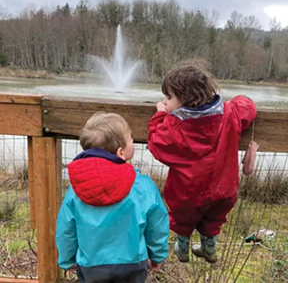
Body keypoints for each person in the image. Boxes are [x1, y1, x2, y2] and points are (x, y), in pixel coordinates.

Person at [148, 62, 257, 264]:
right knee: (214, 219)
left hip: (187, 193)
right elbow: (248, 106)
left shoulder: (175, 128)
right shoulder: (229, 113)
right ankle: (209, 248)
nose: (165, 101)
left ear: (185, 100)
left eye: (169, 98)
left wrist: (160, 115)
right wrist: (238, 100)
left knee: (183, 221)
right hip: (224, 189)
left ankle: (182, 249)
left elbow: (156, 143)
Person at [56, 112, 169, 283]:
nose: (133, 141)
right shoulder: (142, 185)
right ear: (121, 152)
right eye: (131, 138)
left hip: (91, 263)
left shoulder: (77, 188)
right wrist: (157, 255)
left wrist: (66, 258)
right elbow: (157, 224)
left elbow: (66, 229)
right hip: (133, 261)